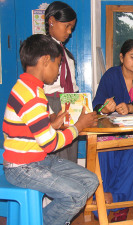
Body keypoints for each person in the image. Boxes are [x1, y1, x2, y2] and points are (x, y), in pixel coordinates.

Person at [2, 34, 99, 225]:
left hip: (37, 159)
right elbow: (49, 143)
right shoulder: (31, 95)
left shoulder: (33, 89)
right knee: (76, 194)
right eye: (58, 64)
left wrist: (55, 122)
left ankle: (41, 218)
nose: (58, 72)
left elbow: (36, 127)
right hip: (23, 167)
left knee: (91, 180)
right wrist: (78, 127)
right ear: (46, 60)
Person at [92, 39, 133, 222]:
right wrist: (104, 108)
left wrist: (130, 107)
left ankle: (119, 200)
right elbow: (98, 103)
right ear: (122, 57)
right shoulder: (111, 75)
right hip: (112, 130)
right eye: (132, 57)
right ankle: (103, 195)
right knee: (103, 148)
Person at [44, 1, 79, 163]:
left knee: (70, 155)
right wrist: (50, 113)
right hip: (51, 105)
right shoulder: (42, 50)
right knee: (55, 156)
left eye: (71, 27)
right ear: (52, 21)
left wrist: (79, 108)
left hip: (69, 103)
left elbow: (72, 83)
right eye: (67, 26)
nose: (69, 32)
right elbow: (36, 88)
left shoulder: (66, 53)